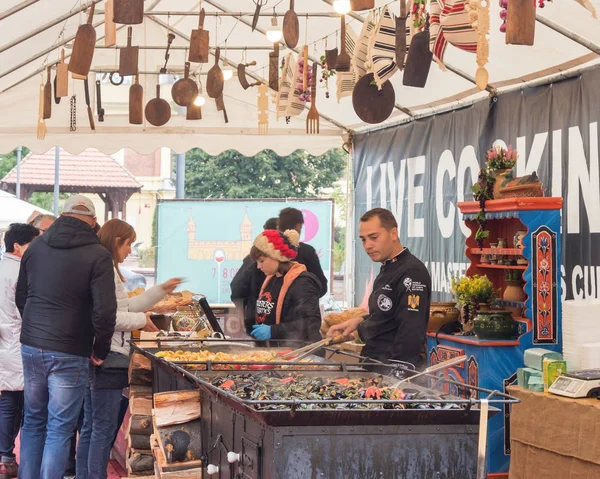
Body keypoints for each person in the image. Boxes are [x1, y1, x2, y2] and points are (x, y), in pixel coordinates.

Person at [15, 195, 117, 479]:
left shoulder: (35, 247)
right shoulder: (98, 255)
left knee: (34, 420)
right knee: (60, 426)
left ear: (62, 216)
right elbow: (105, 312)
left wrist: (36, 329)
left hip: (33, 345)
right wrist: (101, 349)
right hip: (71, 349)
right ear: (94, 222)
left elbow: (22, 296)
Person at [76, 218, 181, 479]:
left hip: (98, 357)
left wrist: (159, 291)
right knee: (101, 428)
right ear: (116, 241)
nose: (130, 252)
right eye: (128, 245)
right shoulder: (104, 269)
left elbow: (124, 308)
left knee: (91, 427)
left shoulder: (104, 267)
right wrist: (142, 321)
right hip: (107, 358)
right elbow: (111, 318)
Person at [327, 208, 431, 369]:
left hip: (390, 368)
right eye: (363, 239)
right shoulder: (387, 267)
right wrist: (358, 322)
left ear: (394, 234)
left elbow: (410, 330)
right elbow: (387, 314)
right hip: (373, 363)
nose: (367, 245)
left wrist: (398, 375)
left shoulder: (412, 272)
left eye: (374, 237)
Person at [0, 224, 40, 479]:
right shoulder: (19, 272)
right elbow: (26, 310)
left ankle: (6, 458)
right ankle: (9, 458)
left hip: (5, 343)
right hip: (17, 342)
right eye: (32, 243)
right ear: (17, 245)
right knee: (20, 405)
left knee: (7, 401)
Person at [247, 229, 322, 342]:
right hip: (276, 349)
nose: (258, 266)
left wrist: (273, 331)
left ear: (278, 257)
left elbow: (310, 322)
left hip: (300, 352)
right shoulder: (272, 278)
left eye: (262, 261)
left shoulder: (303, 283)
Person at [230, 217, 278, 315]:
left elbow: (236, 289)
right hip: (260, 316)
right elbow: (237, 289)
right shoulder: (255, 260)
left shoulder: (251, 259)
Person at [278, 207, 329, 296]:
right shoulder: (307, 252)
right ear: (298, 226)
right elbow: (321, 285)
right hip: (300, 306)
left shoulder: (268, 251)